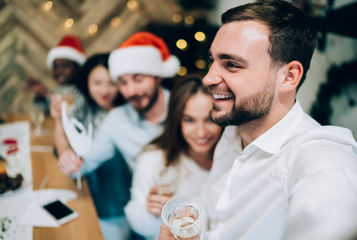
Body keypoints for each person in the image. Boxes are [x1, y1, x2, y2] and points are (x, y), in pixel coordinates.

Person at [158, 1, 357, 240]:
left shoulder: (318, 152)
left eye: (231, 64)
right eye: (213, 61)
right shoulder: (232, 132)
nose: (208, 78)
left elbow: (330, 210)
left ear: (288, 77)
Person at [57, 31, 180, 175]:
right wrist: (68, 161)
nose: (131, 91)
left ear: (158, 77)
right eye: (122, 82)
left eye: (138, 79)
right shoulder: (116, 120)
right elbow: (80, 168)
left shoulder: (185, 108)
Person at [124, 76, 222, 240]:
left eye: (210, 120)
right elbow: (137, 222)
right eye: (189, 120)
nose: (201, 133)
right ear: (177, 120)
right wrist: (150, 212)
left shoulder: (232, 155)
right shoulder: (153, 159)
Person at [51, 53, 132, 240]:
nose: (104, 90)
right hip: (87, 197)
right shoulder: (85, 108)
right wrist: (58, 121)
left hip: (117, 208)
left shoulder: (125, 116)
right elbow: (65, 152)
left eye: (112, 83)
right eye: (97, 83)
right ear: (86, 82)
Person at [24, 34, 86, 112]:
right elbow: (43, 112)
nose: (59, 71)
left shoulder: (85, 90)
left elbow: (74, 112)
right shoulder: (60, 90)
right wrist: (41, 96)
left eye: (65, 65)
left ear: (78, 67)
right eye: (55, 67)